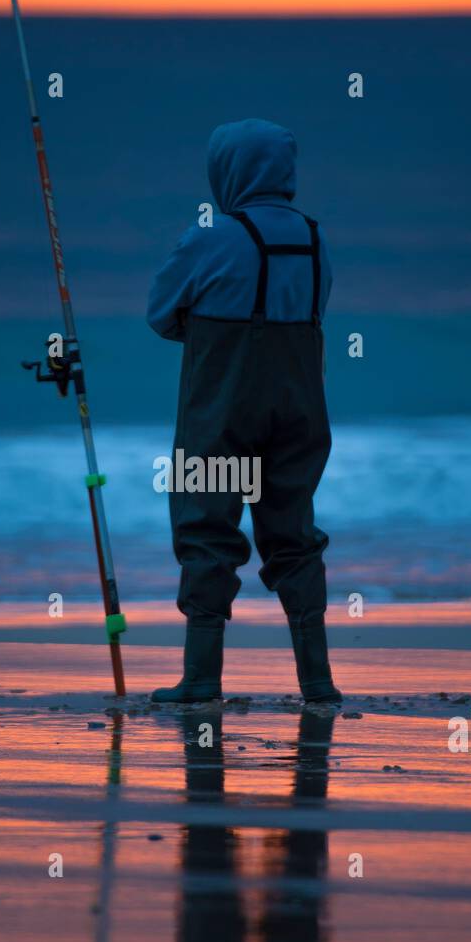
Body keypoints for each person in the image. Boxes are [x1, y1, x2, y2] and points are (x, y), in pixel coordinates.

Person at [147, 118, 341, 705]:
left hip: (221, 409)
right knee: (293, 535)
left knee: (207, 529)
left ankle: (202, 679)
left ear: (226, 169)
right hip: (301, 407)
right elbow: (316, 311)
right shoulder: (315, 238)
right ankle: (318, 682)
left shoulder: (210, 235)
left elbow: (161, 312)